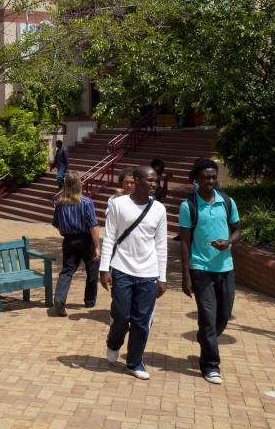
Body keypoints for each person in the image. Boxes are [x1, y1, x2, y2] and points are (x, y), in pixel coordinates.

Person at [100, 165, 168, 380]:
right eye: (150, 180)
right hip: (121, 269)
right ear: (137, 180)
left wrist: (162, 277)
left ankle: (135, 362)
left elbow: (161, 245)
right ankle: (114, 342)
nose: (154, 185)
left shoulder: (159, 209)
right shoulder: (118, 205)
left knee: (141, 320)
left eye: (156, 181)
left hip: (148, 273)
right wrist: (104, 268)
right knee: (121, 316)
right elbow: (109, 237)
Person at [179, 158, 240, 385]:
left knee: (223, 316)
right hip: (200, 269)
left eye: (214, 177)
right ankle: (210, 365)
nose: (211, 181)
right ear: (195, 179)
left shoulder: (227, 201)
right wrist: (186, 276)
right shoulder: (189, 206)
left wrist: (229, 242)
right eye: (206, 178)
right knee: (207, 318)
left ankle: (205, 338)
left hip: (225, 268)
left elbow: (237, 230)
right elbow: (185, 242)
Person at [51, 172, 100, 316]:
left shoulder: (60, 203)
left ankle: (59, 298)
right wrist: (97, 246)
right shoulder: (86, 202)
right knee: (92, 270)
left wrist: (64, 232)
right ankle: (89, 300)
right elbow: (93, 226)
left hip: (69, 240)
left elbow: (56, 223)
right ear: (79, 184)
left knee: (67, 270)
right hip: (86, 240)